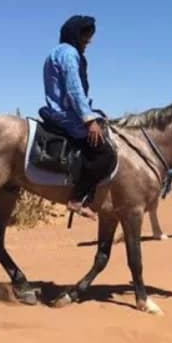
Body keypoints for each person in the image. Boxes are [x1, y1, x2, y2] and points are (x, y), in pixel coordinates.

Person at [38, 14, 116, 220]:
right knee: (105, 153)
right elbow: (74, 90)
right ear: (75, 35)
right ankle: (77, 198)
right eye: (85, 37)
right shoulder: (69, 54)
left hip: (62, 111)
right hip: (66, 115)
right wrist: (89, 120)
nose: (88, 42)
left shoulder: (56, 52)